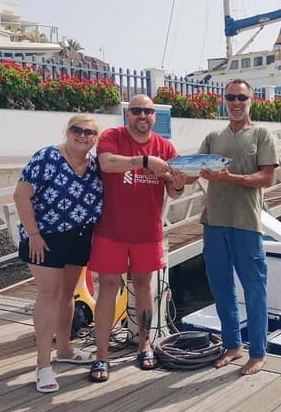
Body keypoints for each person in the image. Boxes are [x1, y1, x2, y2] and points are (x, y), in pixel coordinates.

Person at [87, 93, 186, 382]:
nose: (143, 116)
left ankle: (145, 346)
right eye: (137, 111)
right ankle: (101, 355)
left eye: (148, 111)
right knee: (107, 288)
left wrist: (179, 184)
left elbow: (174, 191)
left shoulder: (166, 146)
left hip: (147, 233)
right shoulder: (112, 136)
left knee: (144, 287)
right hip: (111, 231)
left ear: (155, 116)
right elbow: (107, 163)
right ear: (128, 114)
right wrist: (144, 161)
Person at [13, 114, 104, 393]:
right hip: (45, 237)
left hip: (79, 236)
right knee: (49, 295)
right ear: (68, 131)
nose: (82, 136)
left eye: (89, 132)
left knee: (67, 294)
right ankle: (43, 364)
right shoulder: (47, 157)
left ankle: (65, 349)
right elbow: (21, 195)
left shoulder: (94, 164)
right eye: (77, 130)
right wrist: (34, 235)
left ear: (95, 138)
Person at [197, 79, 278, 375]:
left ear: (250, 100)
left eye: (241, 97)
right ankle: (232, 345)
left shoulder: (261, 134)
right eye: (231, 97)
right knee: (221, 287)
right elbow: (194, 171)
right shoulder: (213, 137)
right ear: (224, 100)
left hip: (246, 223)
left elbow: (267, 177)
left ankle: (258, 352)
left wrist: (230, 178)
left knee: (254, 289)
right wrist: (174, 173)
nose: (235, 102)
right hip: (214, 222)